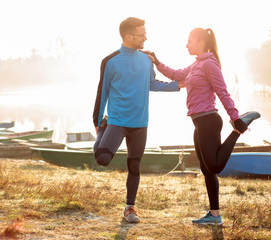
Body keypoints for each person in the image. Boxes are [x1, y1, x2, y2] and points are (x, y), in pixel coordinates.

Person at [145, 27, 260, 225]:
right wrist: (156, 61)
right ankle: (214, 216)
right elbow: (175, 74)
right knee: (207, 170)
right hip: (199, 123)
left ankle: (239, 129)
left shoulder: (209, 64)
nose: (186, 44)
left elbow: (222, 92)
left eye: (190, 40)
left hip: (208, 121)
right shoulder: (196, 65)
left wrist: (235, 118)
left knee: (215, 166)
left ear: (202, 43)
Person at [92, 17, 184, 223]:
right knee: (102, 159)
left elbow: (152, 83)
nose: (146, 37)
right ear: (128, 36)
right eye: (142, 35)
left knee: (134, 166)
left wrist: (178, 85)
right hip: (116, 121)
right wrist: (98, 122)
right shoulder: (110, 61)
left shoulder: (145, 60)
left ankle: (130, 208)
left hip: (140, 123)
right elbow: (102, 92)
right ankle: (101, 134)